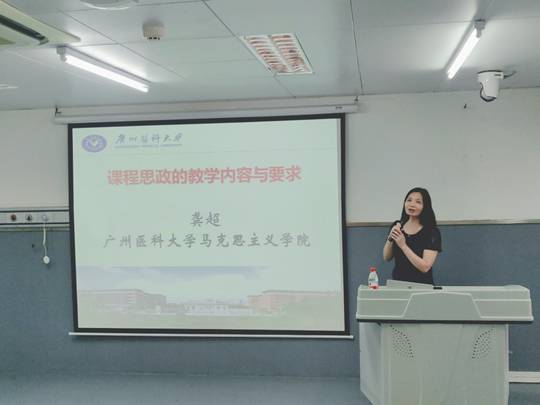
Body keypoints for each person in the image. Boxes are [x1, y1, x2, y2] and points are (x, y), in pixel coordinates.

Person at [382, 187, 442, 284]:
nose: (412, 204)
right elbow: (386, 257)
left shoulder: (431, 232)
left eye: (418, 202)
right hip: (398, 285)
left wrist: (403, 246)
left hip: (422, 286)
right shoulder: (397, 225)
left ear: (425, 206)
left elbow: (425, 267)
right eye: (409, 200)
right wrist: (390, 238)